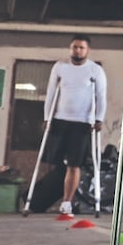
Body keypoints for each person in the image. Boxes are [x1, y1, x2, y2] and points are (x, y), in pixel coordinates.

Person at [43, 34, 107, 216]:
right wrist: (47, 117)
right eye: (75, 47)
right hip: (60, 120)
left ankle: (67, 203)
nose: (77, 50)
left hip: (81, 123)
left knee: (74, 164)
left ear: (88, 50)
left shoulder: (95, 70)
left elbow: (101, 96)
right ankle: (41, 198)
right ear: (70, 49)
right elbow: (50, 93)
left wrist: (99, 118)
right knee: (53, 161)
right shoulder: (60, 67)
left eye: (81, 47)